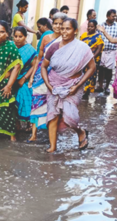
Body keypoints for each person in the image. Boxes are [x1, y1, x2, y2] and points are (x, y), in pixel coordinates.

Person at [42, 18, 96, 153]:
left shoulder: (82, 48)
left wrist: (78, 86)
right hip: (54, 85)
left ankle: (81, 132)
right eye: (62, 28)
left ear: (75, 31)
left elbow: (92, 68)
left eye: (68, 28)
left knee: (70, 117)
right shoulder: (53, 47)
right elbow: (43, 67)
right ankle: (53, 147)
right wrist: (48, 85)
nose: (64, 31)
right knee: (53, 115)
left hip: (73, 86)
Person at [28, 12, 67, 142]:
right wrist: (32, 76)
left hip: (57, 75)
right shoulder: (46, 38)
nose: (57, 26)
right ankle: (34, 134)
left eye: (61, 24)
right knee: (37, 101)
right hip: (41, 74)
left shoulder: (67, 40)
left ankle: (52, 134)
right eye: (55, 23)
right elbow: (39, 58)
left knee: (54, 104)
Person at [13, 27, 38, 130]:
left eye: (20, 36)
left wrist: (24, 77)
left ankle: (29, 124)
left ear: (25, 37)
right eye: (15, 36)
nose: (18, 39)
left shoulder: (30, 50)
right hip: (11, 79)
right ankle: (16, 123)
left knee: (25, 97)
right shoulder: (11, 47)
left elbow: (34, 65)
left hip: (25, 78)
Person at [80, 19, 104, 99]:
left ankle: (87, 92)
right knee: (82, 73)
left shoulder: (98, 36)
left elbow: (99, 49)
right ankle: (81, 90)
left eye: (92, 27)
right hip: (83, 58)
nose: (90, 28)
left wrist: (91, 57)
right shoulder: (83, 35)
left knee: (91, 75)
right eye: (89, 26)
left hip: (93, 59)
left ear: (95, 27)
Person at [96, 9, 117, 95]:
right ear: (107, 16)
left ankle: (107, 87)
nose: (114, 18)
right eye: (113, 16)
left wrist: (104, 32)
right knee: (101, 68)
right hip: (102, 50)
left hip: (112, 51)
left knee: (109, 70)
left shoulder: (116, 26)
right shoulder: (101, 25)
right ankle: (100, 86)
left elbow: (112, 40)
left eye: (115, 16)